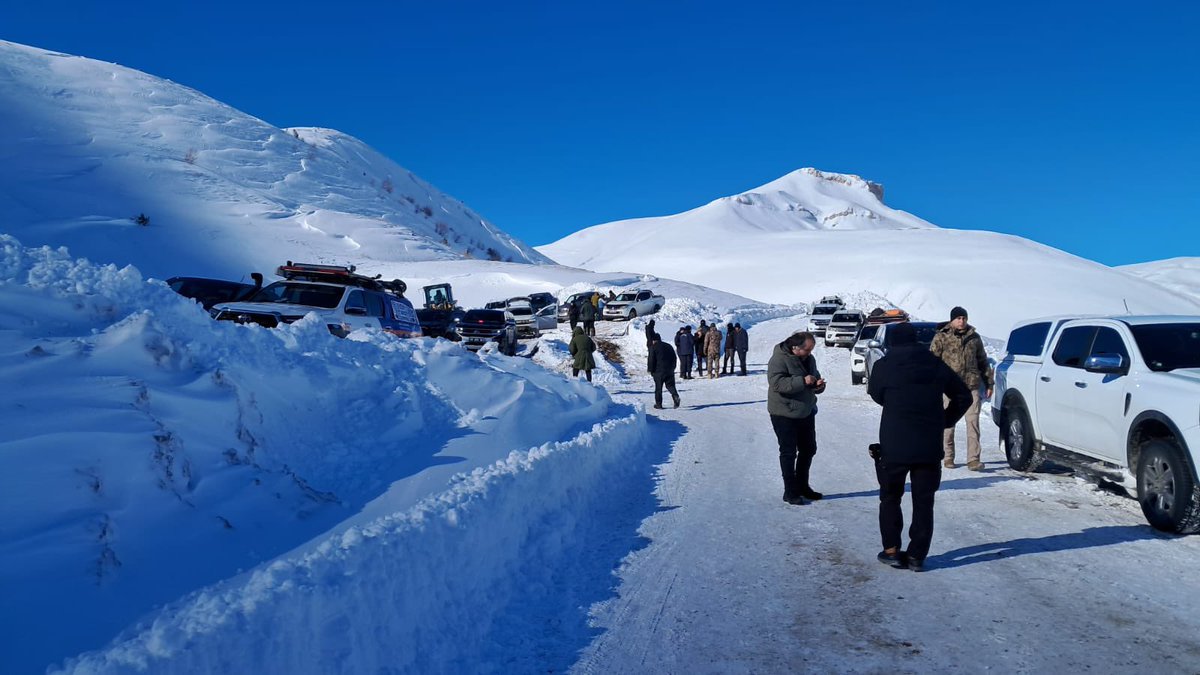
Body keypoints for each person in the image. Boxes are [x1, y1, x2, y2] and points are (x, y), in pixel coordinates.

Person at [868, 321, 973, 571]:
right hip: (928, 445)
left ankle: (892, 550)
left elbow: (875, 394)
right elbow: (964, 396)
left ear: (893, 343)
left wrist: (895, 402)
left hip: (894, 445)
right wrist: (945, 420)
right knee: (924, 501)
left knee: (890, 497)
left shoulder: (884, 365)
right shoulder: (935, 364)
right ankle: (917, 556)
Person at [930, 306, 994, 471]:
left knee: (972, 423)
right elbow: (932, 362)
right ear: (952, 320)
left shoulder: (974, 338)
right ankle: (948, 456)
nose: (962, 321)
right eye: (958, 318)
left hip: (971, 386)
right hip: (949, 387)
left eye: (964, 318)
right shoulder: (941, 337)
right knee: (948, 423)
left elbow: (983, 362)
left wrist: (988, 383)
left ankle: (973, 459)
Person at [767, 331, 826, 504]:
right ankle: (790, 491)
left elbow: (813, 378)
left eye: (811, 350)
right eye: (807, 350)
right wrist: (803, 381)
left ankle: (803, 486)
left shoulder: (809, 359)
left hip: (805, 411)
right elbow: (777, 384)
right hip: (784, 413)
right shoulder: (778, 359)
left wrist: (817, 385)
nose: (809, 353)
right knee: (788, 452)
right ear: (795, 347)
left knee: (808, 449)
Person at [647, 332, 680, 409]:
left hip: (659, 371)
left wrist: (650, 370)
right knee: (670, 385)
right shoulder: (669, 346)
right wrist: (673, 368)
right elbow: (674, 358)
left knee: (658, 388)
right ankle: (675, 396)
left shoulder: (654, 347)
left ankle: (659, 404)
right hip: (670, 370)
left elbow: (651, 359)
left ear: (654, 340)